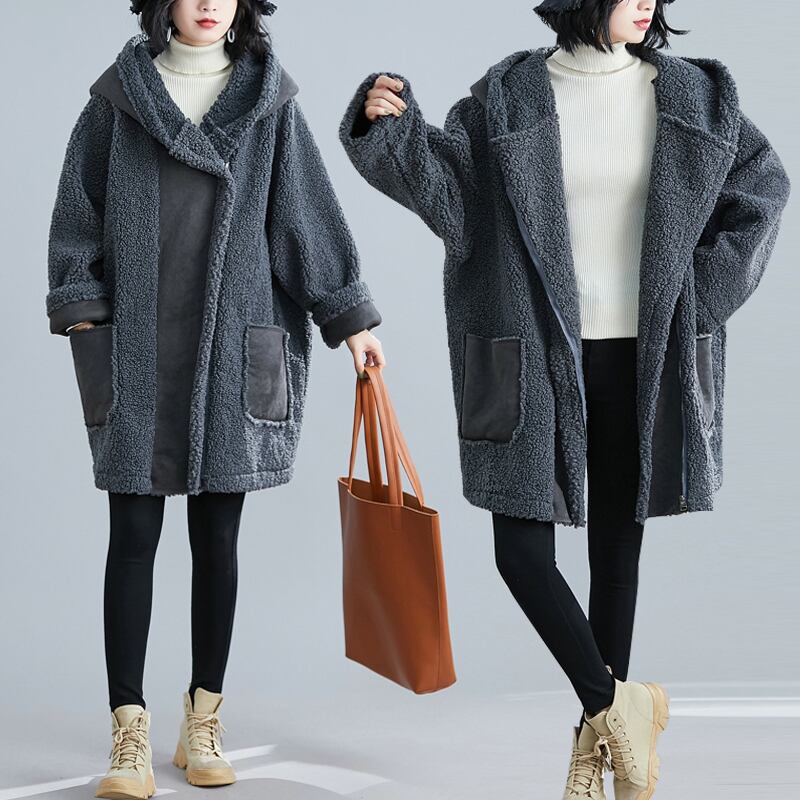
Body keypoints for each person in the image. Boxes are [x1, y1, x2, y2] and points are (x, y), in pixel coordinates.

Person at [338, 1, 790, 798]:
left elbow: (763, 191)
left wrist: (699, 302)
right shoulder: (508, 97)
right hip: (535, 352)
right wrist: (391, 131)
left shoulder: (694, 97)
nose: (646, 2)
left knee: (615, 554)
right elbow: (452, 202)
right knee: (521, 555)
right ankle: (622, 708)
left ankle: (596, 748)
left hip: (643, 356)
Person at [46, 2, 384, 797]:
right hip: (138, 349)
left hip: (233, 350)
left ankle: (203, 720)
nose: (208, 3)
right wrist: (85, 314)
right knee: (132, 536)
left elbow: (304, 219)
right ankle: (128, 731)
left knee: (217, 539)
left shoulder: (269, 106)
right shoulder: (118, 100)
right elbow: (76, 217)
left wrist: (352, 321)